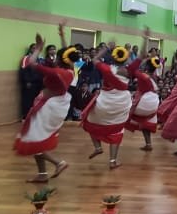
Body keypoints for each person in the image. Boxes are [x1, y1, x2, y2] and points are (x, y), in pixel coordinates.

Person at [14, 33, 71, 183]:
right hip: (53, 106)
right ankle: (42, 174)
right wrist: (62, 34)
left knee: (32, 139)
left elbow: (31, 62)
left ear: (60, 59)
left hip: (47, 108)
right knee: (36, 138)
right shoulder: (69, 70)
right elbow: (67, 52)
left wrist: (38, 48)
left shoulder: (57, 72)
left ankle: (58, 163)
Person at [80, 39, 133, 170]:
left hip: (105, 102)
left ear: (113, 57)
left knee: (90, 122)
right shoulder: (129, 71)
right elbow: (137, 61)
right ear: (125, 59)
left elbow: (95, 59)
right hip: (121, 103)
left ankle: (98, 147)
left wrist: (107, 48)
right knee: (117, 130)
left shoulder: (107, 68)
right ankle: (112, 161)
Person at [126, 54, 161, 152]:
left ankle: (112, 133)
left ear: (147, 67)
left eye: (144, 64)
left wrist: (139, 59)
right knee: (145, 123)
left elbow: (131, 69)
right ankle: (148, 144)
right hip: (154, 103)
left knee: (124, 112)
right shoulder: (154, 76)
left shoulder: (142, 75)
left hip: (144, 102)